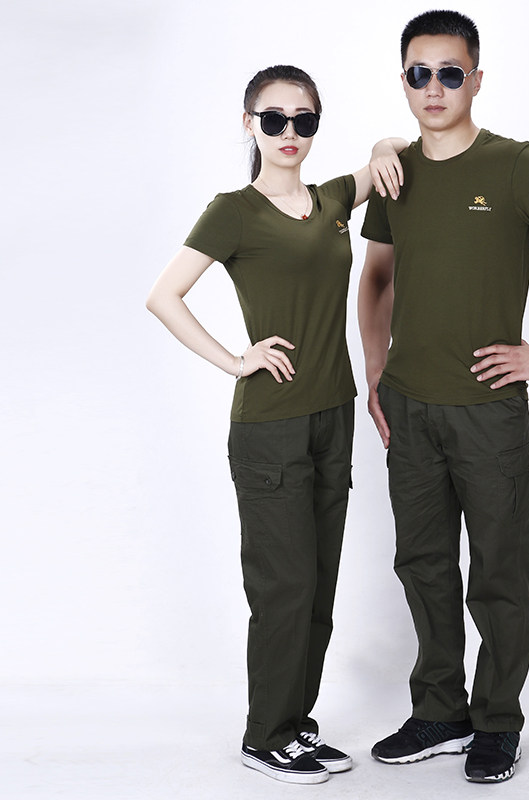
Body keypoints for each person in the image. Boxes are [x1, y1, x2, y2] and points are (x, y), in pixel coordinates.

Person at [358, 11, 529, 784]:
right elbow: (376, 278)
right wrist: (374, 371)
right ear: (403, 81)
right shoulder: (393, 171)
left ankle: (497, 721)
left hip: (486, 410)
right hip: (408, 407)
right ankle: (440, 711)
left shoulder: (515, 166)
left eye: (450, 72)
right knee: (423, 564)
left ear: (476, 79)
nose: (434, 87)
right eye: (419, 73)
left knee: (499, 573)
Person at [146, 65, 405, 786]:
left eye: (304, 120)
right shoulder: (233, 211)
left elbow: (392, 151)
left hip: (333, 415)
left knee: (317, 586)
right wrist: (237, 361)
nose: (290, 132)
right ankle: (265, 735)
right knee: (283, 586)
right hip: (270, 427)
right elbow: (164, 296)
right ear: (250, 124)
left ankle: (294, 723)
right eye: (274, 119)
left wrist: (379, 144)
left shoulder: (331, 201)